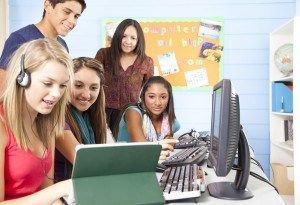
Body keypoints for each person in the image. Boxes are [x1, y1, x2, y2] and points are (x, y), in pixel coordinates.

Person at [0, 38, 74, 204]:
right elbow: (52, 192)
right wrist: (60, 189)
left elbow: (45, 191)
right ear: (22, 78)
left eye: (62, 86)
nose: (56, 94)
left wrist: (58, 199)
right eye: (48, 83)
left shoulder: (47, 124)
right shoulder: (2, 124)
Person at [0, 0, 86, 91]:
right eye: (66, 12)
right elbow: (2, 87)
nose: (72, 21)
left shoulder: (62, 45)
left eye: (76, 16)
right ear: (48, 5)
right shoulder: (20, 39)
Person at [95, 18, 154, 132]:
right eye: (124, 36)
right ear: (118, 36)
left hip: (131, 115)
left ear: (138, 40)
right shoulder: (103, 54)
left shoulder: (146, 61)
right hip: (102, 113)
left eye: (133, 38)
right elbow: (93, 80)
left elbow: (149, 92)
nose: (128, 41)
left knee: (126, 147)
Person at [54, 57, 108, 182]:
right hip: (61, 193)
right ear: (65, 84)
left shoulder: (90, 116)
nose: (86, 94)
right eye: (78, 85)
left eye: (93, 88)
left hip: (84, 186)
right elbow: (86, 163)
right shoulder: (56, 118)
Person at [114, 76, 180, 160]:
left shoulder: (168, 120)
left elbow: (168, 144)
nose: (158, 103)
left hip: (151, 164)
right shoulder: (132, 113)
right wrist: (162, 144)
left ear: (169, 98)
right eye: (151, 97)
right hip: (125, 164)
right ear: (142, 96)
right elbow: (143, 148)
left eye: (163, 97)